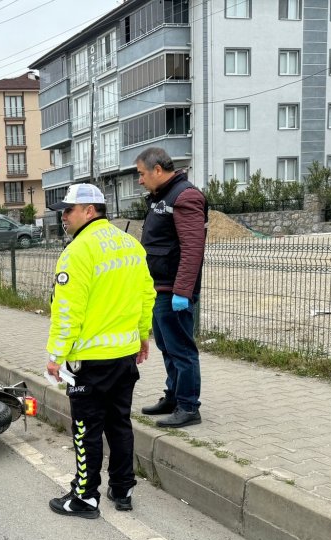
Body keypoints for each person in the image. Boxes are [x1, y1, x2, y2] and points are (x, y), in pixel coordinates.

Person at [45, 184, 155, 520]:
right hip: (124, 356)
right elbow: (147, 293)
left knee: (86, 428)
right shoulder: (131, 246)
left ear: (90, 210)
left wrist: (55, 355)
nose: (63, 216)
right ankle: (122, 489)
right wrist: (141, 335)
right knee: (120, 424)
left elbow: (68, 310)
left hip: (90, 362)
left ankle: (84, 497)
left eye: (68, 210)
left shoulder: (78, 252)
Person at [135, 146, 208, 428]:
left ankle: (189, 406)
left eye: (142, 174)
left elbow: (192, 249)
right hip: (158, 287)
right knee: (167, 346)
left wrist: (182, 291)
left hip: (173, 290)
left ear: (157, 170)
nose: (139, 180)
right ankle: (174, 396)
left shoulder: (185, 196)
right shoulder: (160, 197)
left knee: (181, 349)